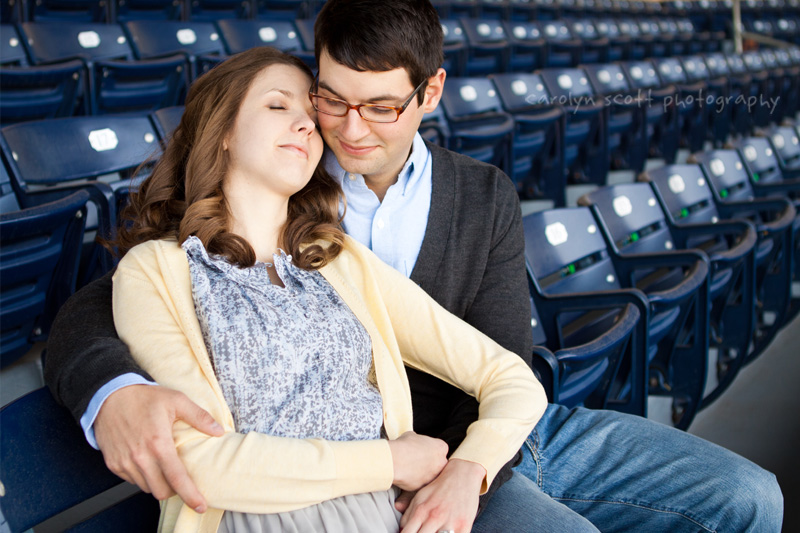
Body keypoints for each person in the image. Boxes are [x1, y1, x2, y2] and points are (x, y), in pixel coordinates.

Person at [46, 0, 784, 531]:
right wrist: (107, 387)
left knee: (752, 496)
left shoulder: (466, 198)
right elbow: (119, 294)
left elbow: (505, 367)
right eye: (329, 101)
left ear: (428, 94)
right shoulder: (280, 212)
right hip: (377, 472)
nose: (343, 127)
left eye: (380, 107)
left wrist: (467, 467)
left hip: (486, 439)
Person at [108, 45, 544, 533]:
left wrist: (471, 468)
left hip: (387, 517)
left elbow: (512, 378)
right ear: (224, 130)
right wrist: (389, 463)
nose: (306, 124)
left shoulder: (337, 258)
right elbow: (200, 466)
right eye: (278, 106)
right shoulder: (154, 271)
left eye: (310, 114)